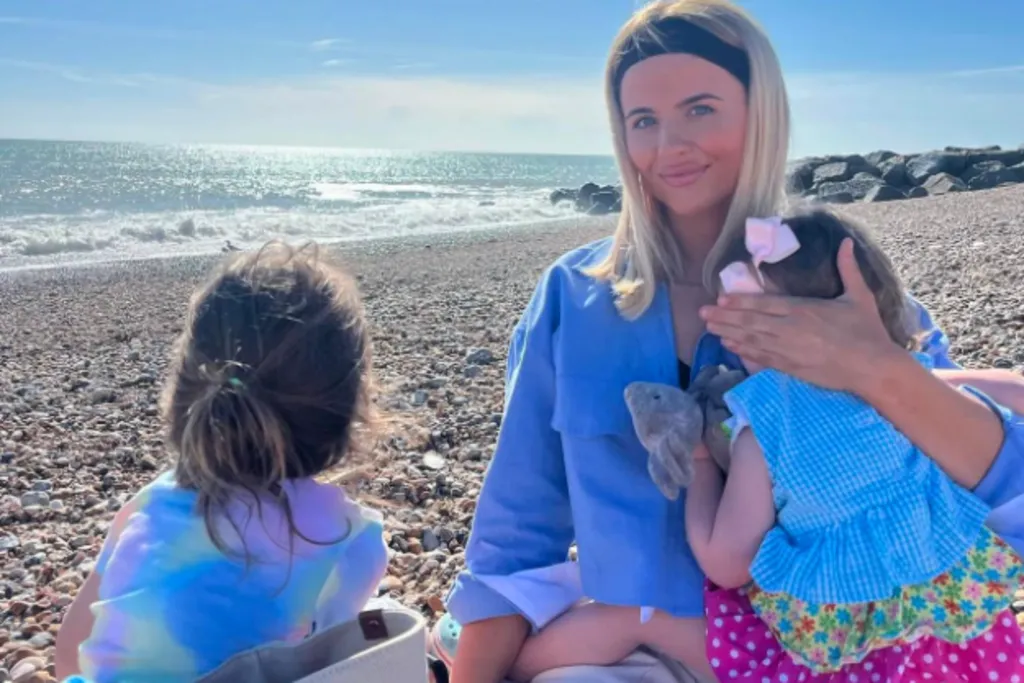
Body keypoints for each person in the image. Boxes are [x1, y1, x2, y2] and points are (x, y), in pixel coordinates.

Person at [434, 1, 1024, 682]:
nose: (668, 145)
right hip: (629, 655)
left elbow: (1001, 492)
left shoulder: (842, 283)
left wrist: (871, 367)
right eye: (643, 121)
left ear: (760, 112)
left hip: (840, 658)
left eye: (701, 108)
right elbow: (516, 533)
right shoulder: (573, 298)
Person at [688, 209, 1024, 680]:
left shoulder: (764, 432)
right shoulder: (905, 390)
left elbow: (727, 563)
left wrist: (700, 462)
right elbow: (1013, 391)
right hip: (966, 637)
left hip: (854, 657)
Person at [54, 242, 389, 683]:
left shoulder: (152, 502)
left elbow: (68, 655)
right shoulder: (350, 537)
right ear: (348, 413)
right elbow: (329, 667)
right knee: (385, 631)